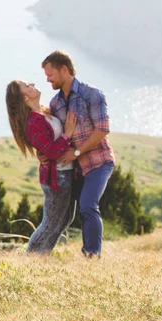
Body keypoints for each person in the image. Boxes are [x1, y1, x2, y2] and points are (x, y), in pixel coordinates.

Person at [41, 50, 115, 257]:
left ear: (64, 69)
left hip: (99, 162)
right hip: (75, 168)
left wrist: (77, 151)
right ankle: (41, 255)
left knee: (88, 205)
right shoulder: (56, 103)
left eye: (50, 74)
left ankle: (91, 255)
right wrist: (43, 154)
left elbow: (102, 129)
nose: (47, 79)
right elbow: (56, 134)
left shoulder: (92, 94)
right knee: (70, 213)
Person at [6, 80, 77, 254]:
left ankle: (42, 257)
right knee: (50, 223)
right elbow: (52, 152)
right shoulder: (32, 122)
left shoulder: (45, 111)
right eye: (27, 85)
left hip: (66, 173)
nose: (32, 84)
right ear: (24, 97)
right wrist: (67, 133)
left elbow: (47, 147)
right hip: (56, 178)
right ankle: (31, 260)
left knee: (66, 219)